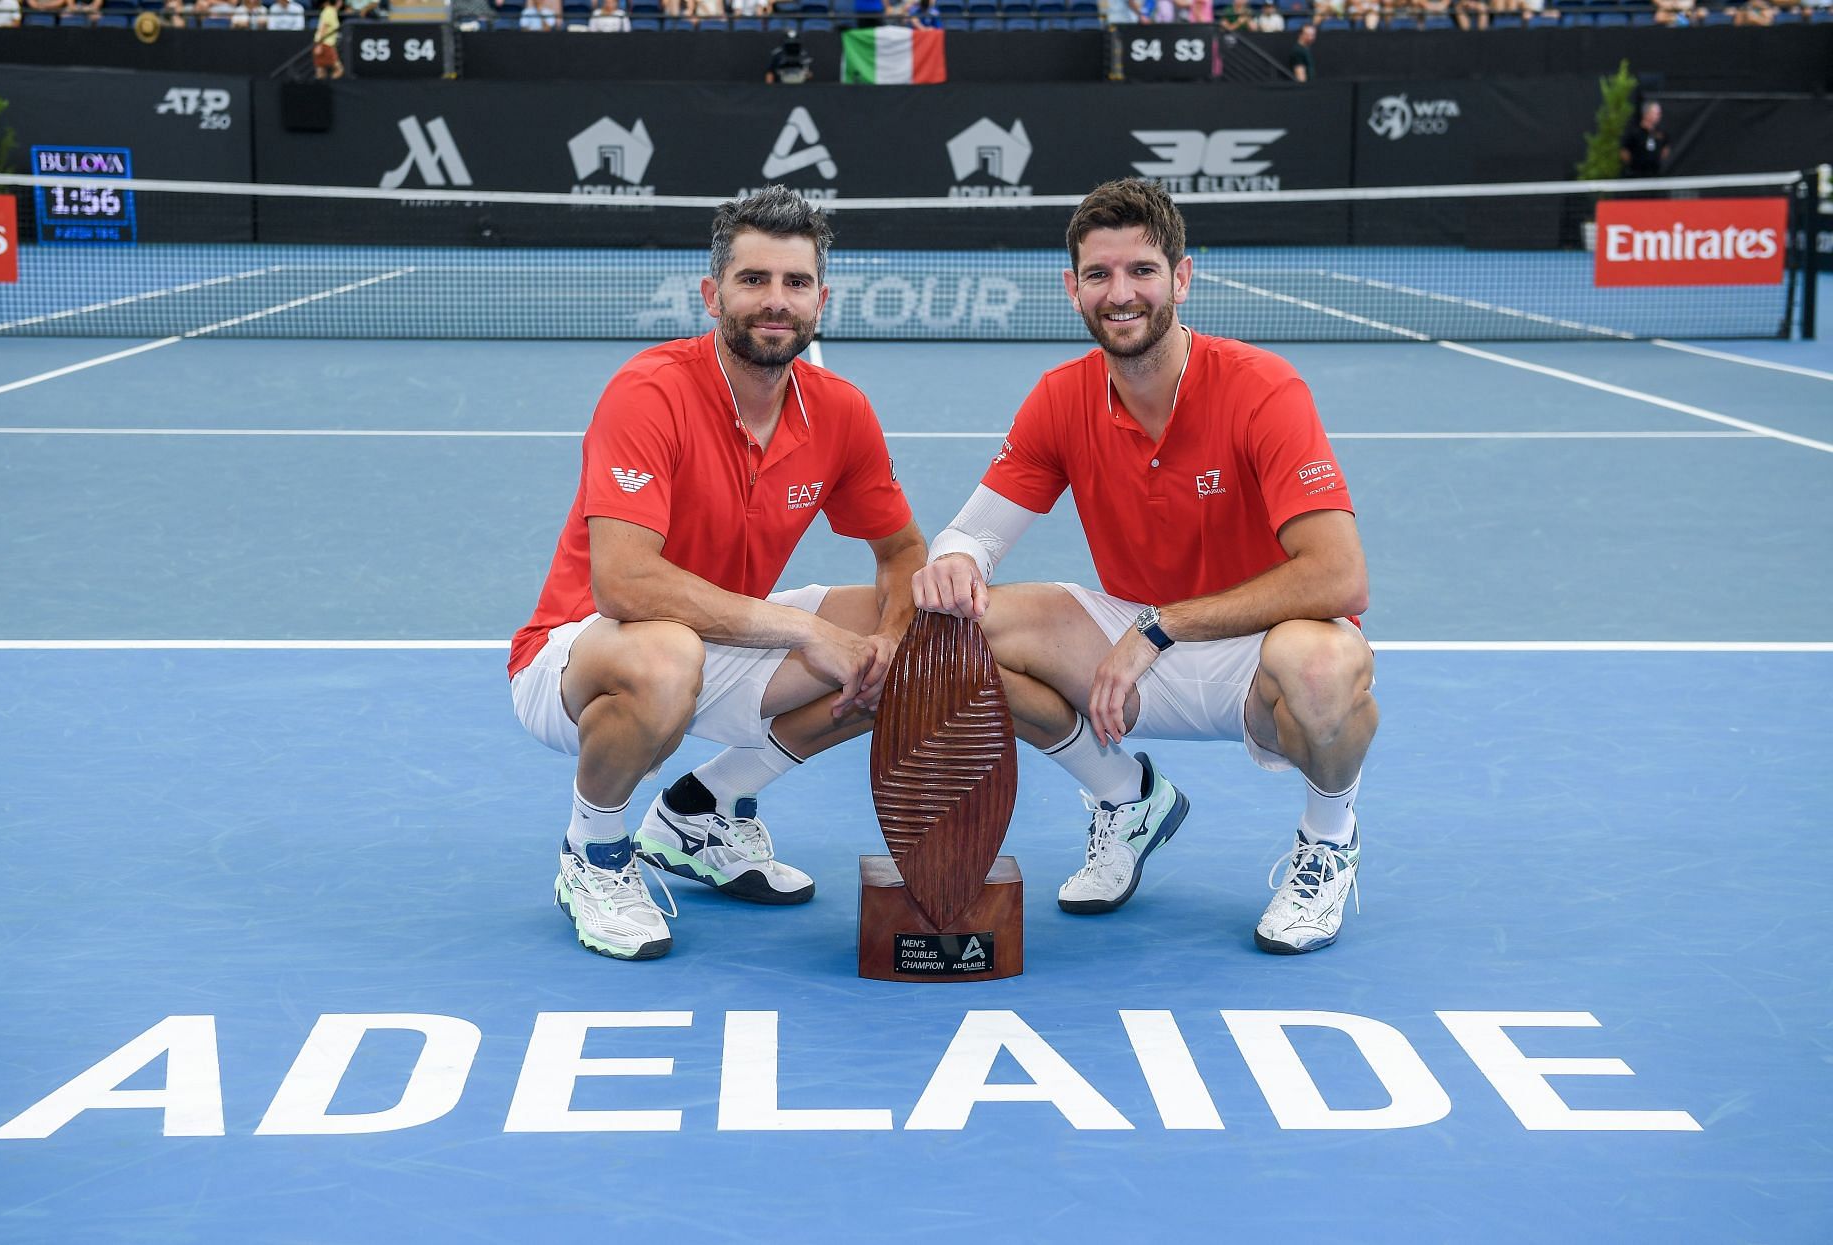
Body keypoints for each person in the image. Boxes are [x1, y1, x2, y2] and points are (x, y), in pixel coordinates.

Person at [913, 178, 1377, 955]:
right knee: (958, 631)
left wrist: (1160, 628)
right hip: (1125, 655)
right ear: (1073, 289)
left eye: (1142, 271)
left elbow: (1340, 577)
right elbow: (972, 534)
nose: (1120, 293)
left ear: (1183, 278)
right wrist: (953, 563)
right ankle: (1126, 799)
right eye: (1099, 275)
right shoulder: (1061, 399)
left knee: (1326, 662)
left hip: (1253, 657)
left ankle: (1328, 839)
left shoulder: (1263, 389)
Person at [510, 186, 926, 962]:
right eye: (754, 280)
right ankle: (593, 852)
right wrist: (809, 632)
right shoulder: (651, 392)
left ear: (820, 299)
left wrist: (892, 646)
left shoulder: (840, 412)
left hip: (725, 635)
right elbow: (625, 586)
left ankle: (700, 810)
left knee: (925, 638)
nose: (776, 301)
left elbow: (902, 554)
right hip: (584, 654)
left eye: (795, 283)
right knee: (668, 654)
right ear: (713, 295)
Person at [1621, 100, 1669, 176]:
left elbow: (1665, 151)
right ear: (1647, 114)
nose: (1659, 116)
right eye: (1656, 113)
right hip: (1636, 175)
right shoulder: (1634, 132)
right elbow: (1625, 152)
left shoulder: (1661, 132)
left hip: (1655, 175)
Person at [311, 0, 343, 76]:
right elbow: (323, 28)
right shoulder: (329, 11)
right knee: (338, 69)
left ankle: (321, 86)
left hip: (325, 43)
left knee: (321, 70)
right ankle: (334, 85)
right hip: (325, 44)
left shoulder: (331, 11)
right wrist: (319, 45)